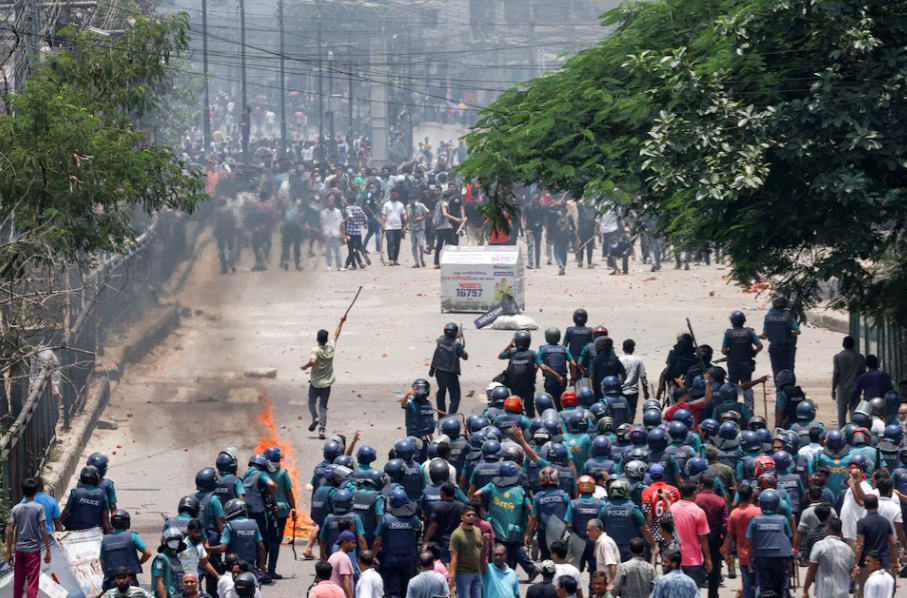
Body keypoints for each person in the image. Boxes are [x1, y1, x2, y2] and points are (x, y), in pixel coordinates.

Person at [300, 314, 346, 439]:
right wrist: (341, 322)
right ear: (326, 339)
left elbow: (313, 361)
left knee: (311, 403)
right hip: (326, 384)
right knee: (323, 407)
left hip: (315, 383)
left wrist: (305, 366)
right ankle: (321, 430)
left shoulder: (316, 350)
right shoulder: (331, 348)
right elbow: (336, 335)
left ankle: (314, 417)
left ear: (317, 339)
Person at [6, 478, 52, 598]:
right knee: (32, 581)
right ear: (36, 491)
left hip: (19, 549)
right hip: (33, 550)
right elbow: (43, 529)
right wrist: (47, 550)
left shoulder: (16, 508)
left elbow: (11, 530)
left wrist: (8, 553)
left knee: (18, 581)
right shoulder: (38, 508)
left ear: (23, 491)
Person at [747, 489, 793, 598]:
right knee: (780, 587)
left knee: (762, 587)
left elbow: (749, 542)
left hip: (761, 559)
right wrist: (789, 560)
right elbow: (789, 539)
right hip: (779, 560)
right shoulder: (783, 520)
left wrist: (750, 560)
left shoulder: (755, 521)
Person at [854, 494, 899, 598]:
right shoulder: (885, 522)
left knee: (866, 593)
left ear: (864, 506)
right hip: (885, 562)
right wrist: (895, 562)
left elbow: (860, 544)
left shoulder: (862, 522)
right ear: (877, 505)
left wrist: (855, 563)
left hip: (867, 565)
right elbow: (893, 543)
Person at [668, 482, 712, 586]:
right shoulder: (698, 512)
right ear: (694, 493)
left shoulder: (671, 509)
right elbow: (702, 538)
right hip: (693, 560)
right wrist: (708, 559)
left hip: (674, 558)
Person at [722, 484, 759, 598]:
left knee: (747, 585)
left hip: (742, 555)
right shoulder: (758, 511)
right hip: (758, 554)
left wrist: (727, 555)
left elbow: (729, 536)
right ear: (751, 497)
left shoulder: (734, 514)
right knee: (759, 584)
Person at [100, 510, 153, 590]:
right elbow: (148, 553)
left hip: (112, 581)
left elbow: (102, 562)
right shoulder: (132, 536)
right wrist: (139, 562)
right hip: (129, 581)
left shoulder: (105, 540)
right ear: (126, 522)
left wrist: (109, 574)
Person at [722, 311, 763, 410]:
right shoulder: (750, 332)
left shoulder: (728, 334)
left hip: (733, 364)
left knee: (733, 386)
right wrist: (754, 353)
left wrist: (729, 354)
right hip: (747, 363)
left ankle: (732, 406)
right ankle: (749, 407)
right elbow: (759, 346)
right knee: (747, 385)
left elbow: (723, 350)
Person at [803, 517, 852, 598]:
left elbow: (811, 570)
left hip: (825, 593)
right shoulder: (848, 549)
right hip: (843, 594)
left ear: (827, 530)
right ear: (840, 532)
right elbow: (850, 570)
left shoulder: (819, 546)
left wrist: (805, 590)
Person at [430, 323, 468, 415]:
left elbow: (444, 338)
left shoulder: (440, 340)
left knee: (441, 392)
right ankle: (450, 416)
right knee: (455, 398)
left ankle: (441, 415)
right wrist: (459, 340)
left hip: (438, 372)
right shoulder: (456, 345)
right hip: (450, 374)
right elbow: (465, 357)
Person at [760, 295, 800, 379]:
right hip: (787, 348)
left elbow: (764, 335)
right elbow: (797, 331)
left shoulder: (768, 317)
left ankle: (778, 388)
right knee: (788, 368)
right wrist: (790, 332)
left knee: (776, 369)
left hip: (774, 347)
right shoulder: (788, 316)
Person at [832, 336, 866, 426]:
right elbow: (862, 374)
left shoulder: (837, 357)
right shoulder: (860, 357)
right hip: (855, 388)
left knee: (841, 411)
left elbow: (836, 374)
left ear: (843, 345)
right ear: (853, 345)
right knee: (854, 411)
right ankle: (854, 429)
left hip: (842, 388)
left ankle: (842, 431)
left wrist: (833, 389)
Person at [618, 339, 649, 423]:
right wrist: (645, 391)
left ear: (623, 348)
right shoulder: (638, 360)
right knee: (632, 412)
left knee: (622, 412)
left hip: (621, 391)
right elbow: (643, 376)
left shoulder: (619, 360)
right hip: (633, 392)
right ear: (633, 349)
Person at [152, 528, 187, 598]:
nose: (174, 541)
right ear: (165, 542)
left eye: (177, 539)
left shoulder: (176, 558)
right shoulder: (161, 559)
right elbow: (159, 583)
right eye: (171, 539)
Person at [586, 518, 619, 585]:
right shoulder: (599, 542)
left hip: (608, 583)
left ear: (597, 530)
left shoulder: (605, 543)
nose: (587, 533)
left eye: (589, 530)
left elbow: (612, 564)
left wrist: (611, 583)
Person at [327, 531, 356, 598]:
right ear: (345, 543)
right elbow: (345, 579)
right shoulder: (343, 558)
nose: (355, 545)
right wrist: (350, 596)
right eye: (353, 543)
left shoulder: (333, 556)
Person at [381, 189, 406, 266]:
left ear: (398, 195)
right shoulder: (386, 205)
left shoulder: (400, 205)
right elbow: (383, 215)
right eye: (393, 194)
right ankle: (391, 259)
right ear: (390, 195)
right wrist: (383, 225)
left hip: (398, 226)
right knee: (390, 243)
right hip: (389, 227)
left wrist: (405, 224)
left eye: (395, 194)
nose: (394, 196)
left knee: (397, 244)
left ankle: (395, 259)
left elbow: (404, 214)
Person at [406, 192, 430, 268]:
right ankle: (416, 262)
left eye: (412, 200)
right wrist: (404, 226)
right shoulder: (408, 207)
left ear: (415, 200)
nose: (411, 202)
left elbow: (428, 213)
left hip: (420, 227)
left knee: (421, 244)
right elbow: (407, 217)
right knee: (413, 246)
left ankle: (422, 259)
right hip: (412, 228)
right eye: (409, 200)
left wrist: (421, 218)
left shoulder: (420, 206)